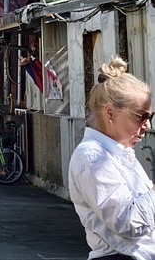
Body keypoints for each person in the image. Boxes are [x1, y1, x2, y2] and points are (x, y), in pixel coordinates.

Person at [68, 56, 155, 259]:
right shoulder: (92, 157)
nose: (147, 125)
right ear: (110, 112)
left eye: (150, 117)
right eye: (141, 116)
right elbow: (129, 222)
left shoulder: (117, 153)